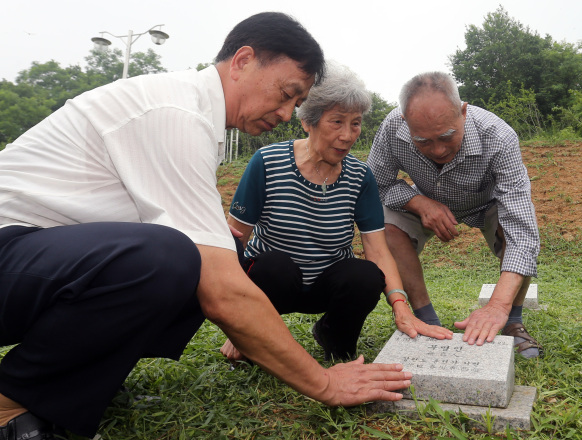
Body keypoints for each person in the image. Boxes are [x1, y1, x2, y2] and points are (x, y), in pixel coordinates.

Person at [0, 13, 413, 440]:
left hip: (38, 259)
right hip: (10, 249)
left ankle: (85, 381)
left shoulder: (195, 117)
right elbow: (221, 289)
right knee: (175, 256)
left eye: (297, 102)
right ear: (243, 61)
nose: (289, 112)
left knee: (215, 246)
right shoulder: (175, 113)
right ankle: (11, 402)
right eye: (288, 94)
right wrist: (324, 383)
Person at [221, 63, 453, 364]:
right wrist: (236, 323)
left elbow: (377, 249)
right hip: (274, 283)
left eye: (355, 124)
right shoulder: (267, 162)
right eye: (337, 122)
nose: (347, 136)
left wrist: (400, 306)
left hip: (324, 283)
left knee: (367, 276)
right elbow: (233, 239)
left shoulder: (360, 176)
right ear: (308, 122)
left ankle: (333, 335)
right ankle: (255, 336)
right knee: (272, 266)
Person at [367, 71, 542, 359]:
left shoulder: (499, 137)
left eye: (447, 136)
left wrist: (496, 304)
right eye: (422, 141)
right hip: (424, 196)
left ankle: (512, 321)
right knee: (385, 226)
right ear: (404, 122)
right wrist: (418, 203)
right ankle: (426, 319)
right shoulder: (391, 129)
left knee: (512, 231)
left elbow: (522, 232)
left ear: (463, 111)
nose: (437, 150)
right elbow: (376, 185)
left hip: (487, 201)